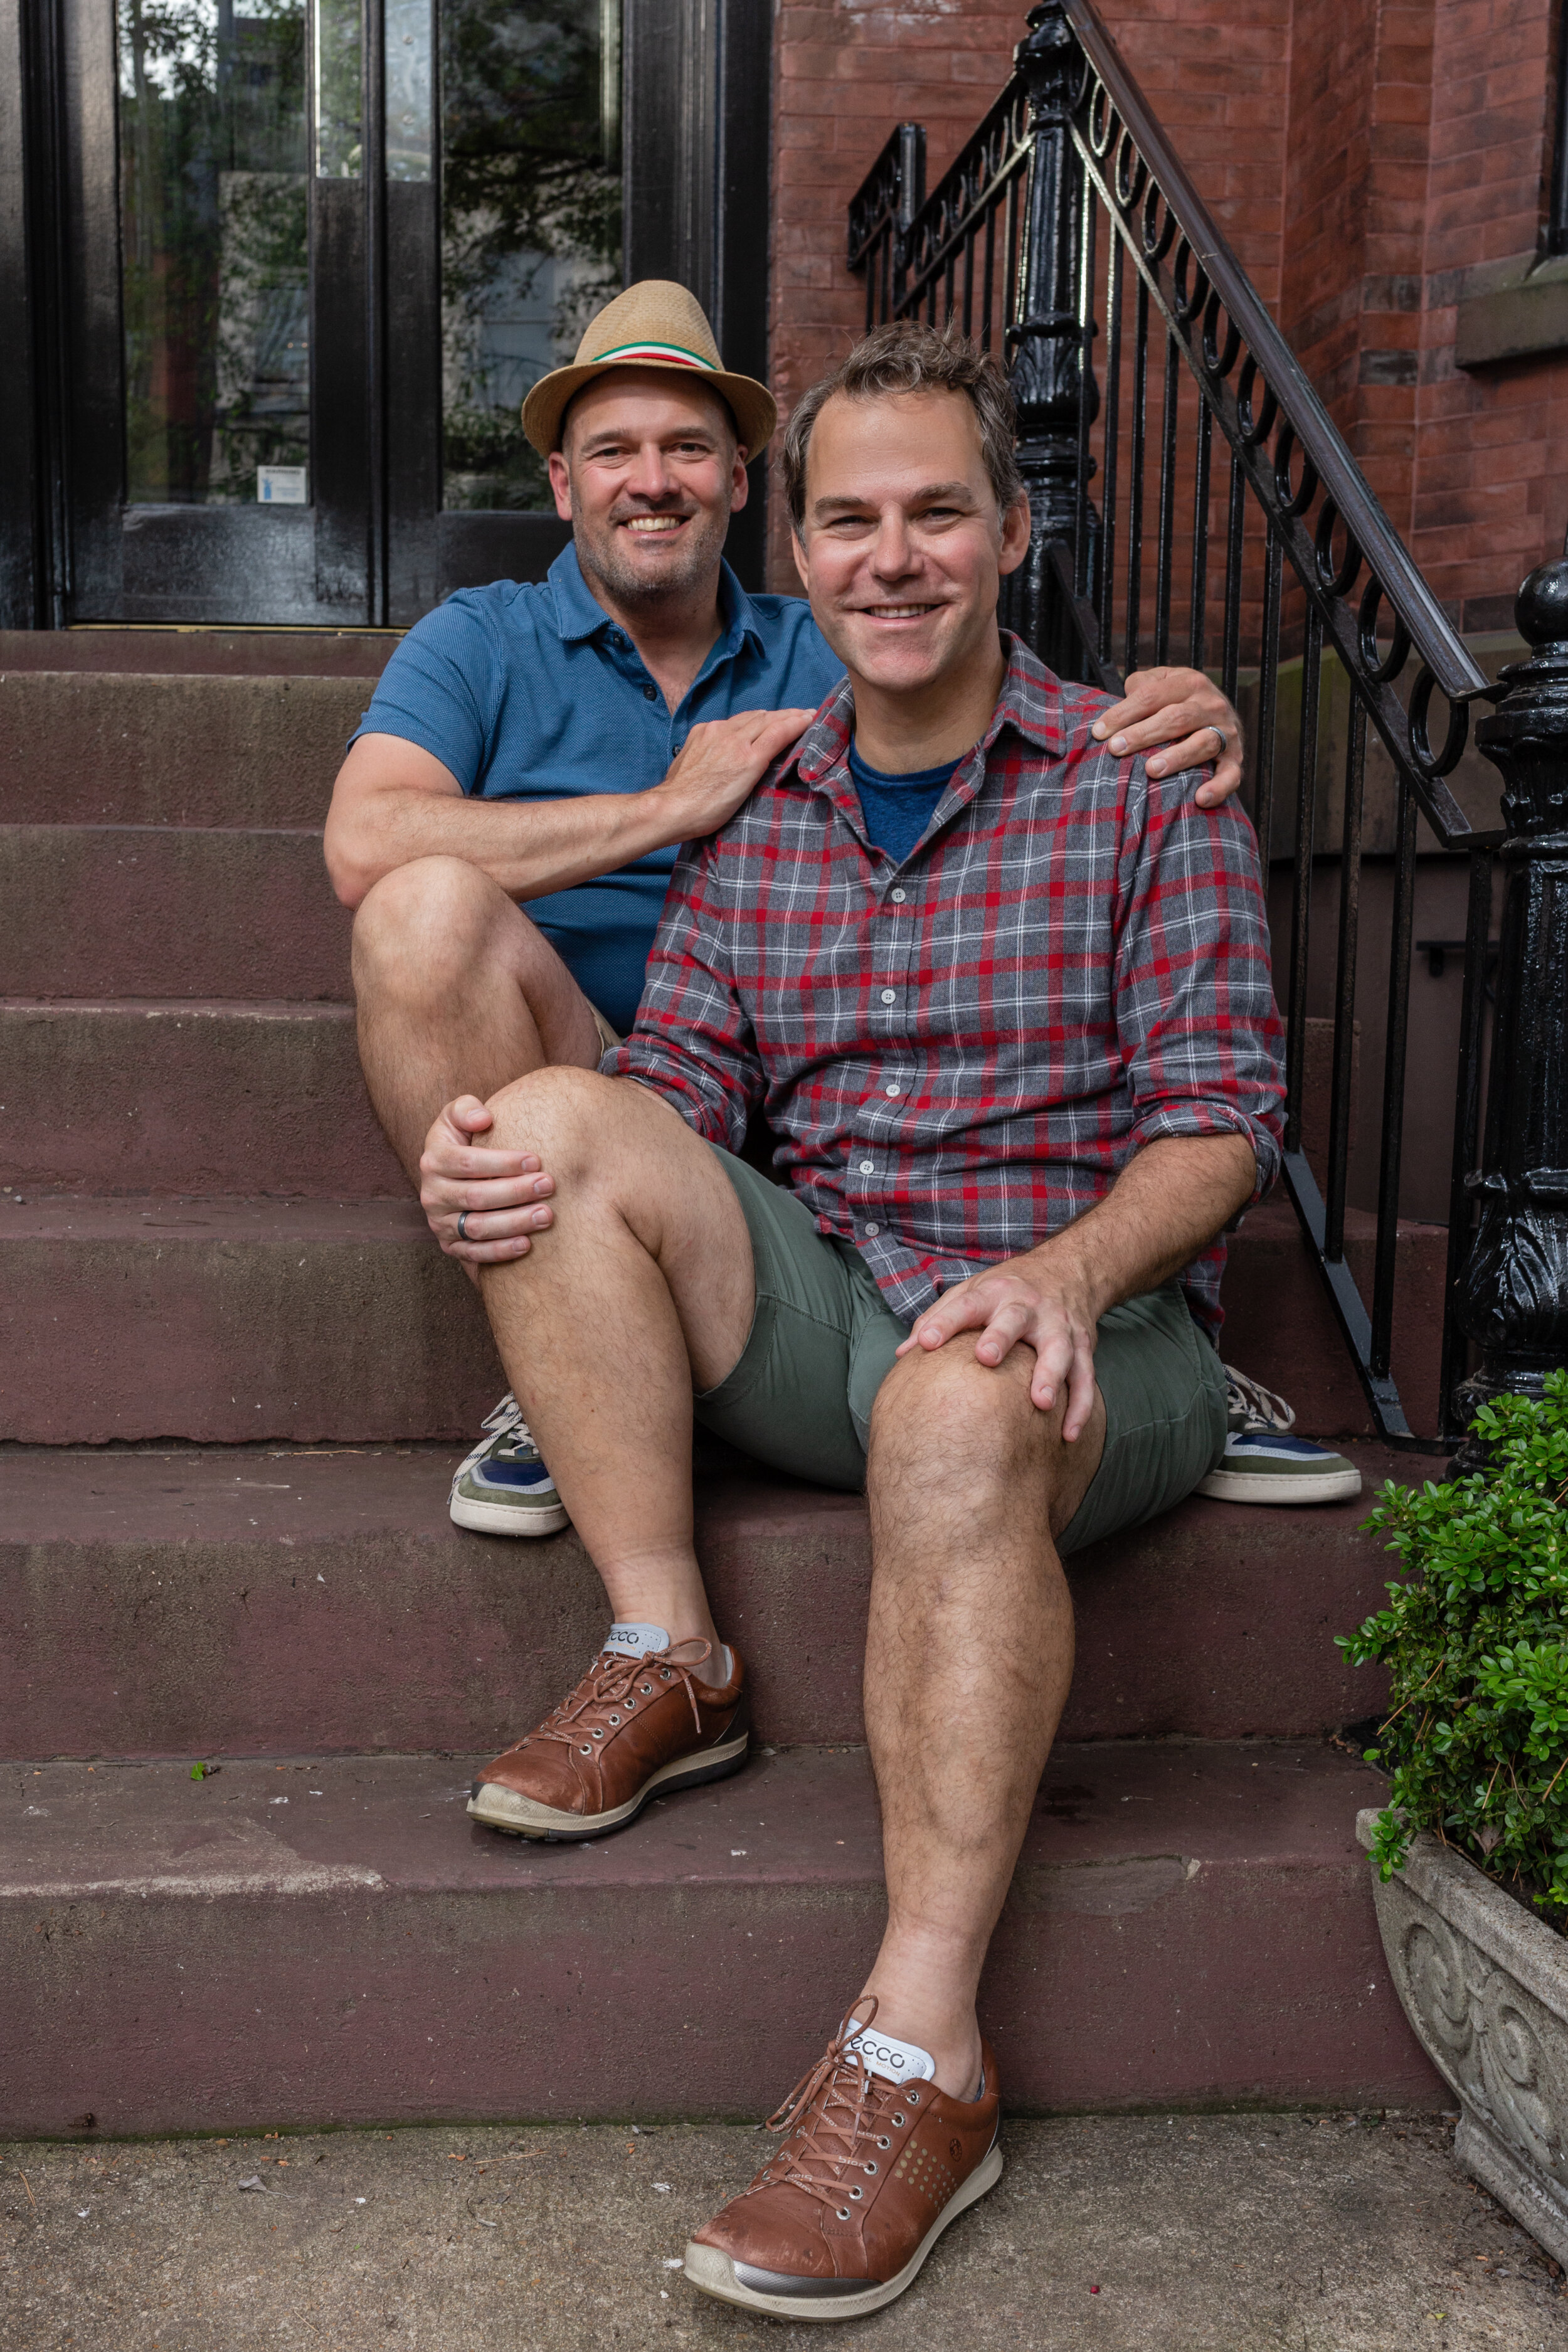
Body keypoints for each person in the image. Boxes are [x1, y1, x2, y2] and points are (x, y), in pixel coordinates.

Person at [447, 322, 1290, 2318]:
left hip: (1089, 1340)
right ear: (794, 553)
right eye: (848, 519)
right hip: (841, 1306)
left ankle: (920, 2057)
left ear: (1009, 533)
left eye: (934, 514)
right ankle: (667, 1647)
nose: (890, 556)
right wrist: (514, 1168)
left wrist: (1068, 1271)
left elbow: (1220, 1129)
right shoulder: (760, 803)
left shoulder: (1138, 783)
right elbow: (685, 1105)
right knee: (560, 1122)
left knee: (959, 1391)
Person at [322, 282, 1354, 1532]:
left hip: (798, 1104)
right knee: (420, 913)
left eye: (688, 448)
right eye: (612, 451)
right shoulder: (478, 639)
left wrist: (1184, 715)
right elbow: (365, 843)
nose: (651, 480)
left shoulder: (827, 633)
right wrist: (670, 805)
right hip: (619, 1083)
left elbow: (971, 695)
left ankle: (1139, 1355)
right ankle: (566, 1367)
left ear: (745, 488)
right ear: (560, 485)